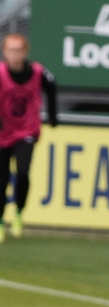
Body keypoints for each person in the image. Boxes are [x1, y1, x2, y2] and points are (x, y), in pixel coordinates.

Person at [0, 33, 57, 243]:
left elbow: (51, 87)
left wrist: (52, 116)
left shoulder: (38, 72)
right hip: (2, 133)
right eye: (10, 50)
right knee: (2, 179)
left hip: (26, 130)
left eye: (19, 50)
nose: (15, 55)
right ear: (4, 51)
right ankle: (0, 221)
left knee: (22, 172)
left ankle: (18, 212)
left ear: (25, 52)